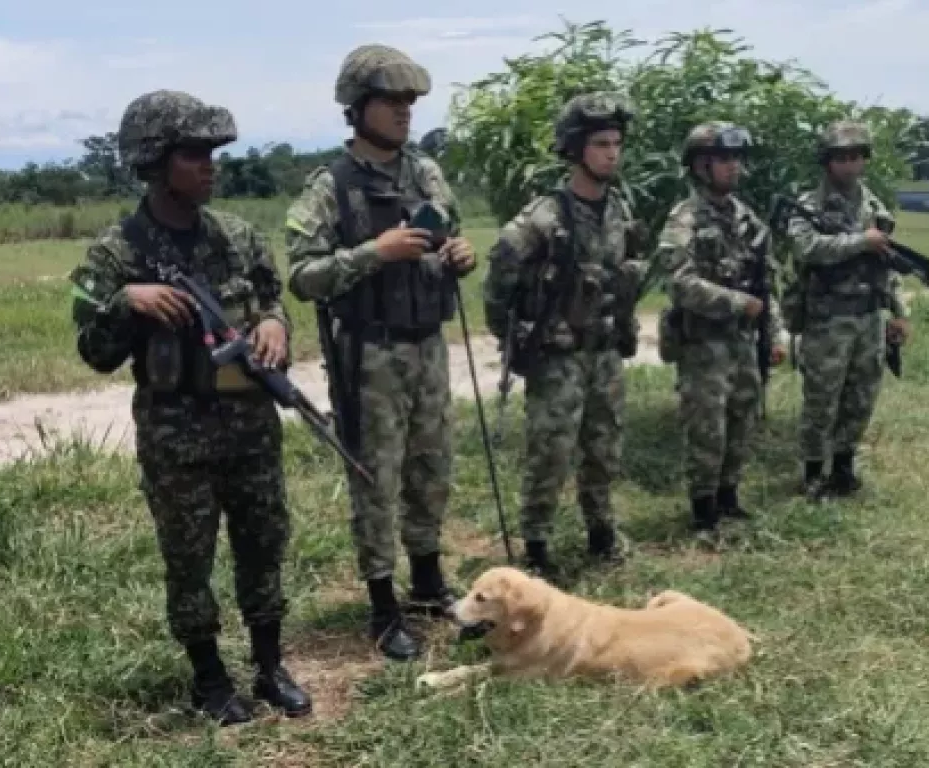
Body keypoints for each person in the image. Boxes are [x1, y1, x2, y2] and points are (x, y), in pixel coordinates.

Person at [68, 90, 311, 725]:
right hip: (177, 437)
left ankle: (268, 665)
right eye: (195, 153)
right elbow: (93, 353)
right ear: (153, 161)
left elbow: (271, 302)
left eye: (214, 153)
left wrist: (277, 328)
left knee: (264, 541)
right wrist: (127, 303)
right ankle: (209, 677)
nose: (212, 165)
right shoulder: (113, 255)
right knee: (189, 558)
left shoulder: (239, 237)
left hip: (250, 425)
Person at [283, 44, 476, 661]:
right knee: (376, 475)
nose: (404, 113)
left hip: (427, 344)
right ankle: (382, 604)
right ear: (358, 107)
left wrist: (458, 255)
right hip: (368, 352)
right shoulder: (329, 186)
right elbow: (303, 275)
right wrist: (376, 252)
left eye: (410, 102)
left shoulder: (426, 172)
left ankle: (425, 579)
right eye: (391, 101)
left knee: (431, 464)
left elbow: (451, 231)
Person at [481, 91, 646, 581]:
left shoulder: (619, 208)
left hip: (604, 352)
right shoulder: (545, 216)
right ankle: (536, 543)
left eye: (617, 143)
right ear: (575, 149)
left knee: (604, 447)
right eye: (601, 143)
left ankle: (601, 530)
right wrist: (516, 333)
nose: (612, 153)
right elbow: (500, 275)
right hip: (557, 357)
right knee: (550, 450)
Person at [656, 121, 788, 544]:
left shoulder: (746, 217)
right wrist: (733, 302)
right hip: (704, 343)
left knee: (743, 419)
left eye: (737, 159)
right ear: (701, 166)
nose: (734, 167)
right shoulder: (685, 219)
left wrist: (776, 332)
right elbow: (679, 282)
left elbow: (767, 282)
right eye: (724, 159)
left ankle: (729, 495)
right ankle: (703, 509)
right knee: (707, 425)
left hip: (744, 341)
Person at [783, 120, 910, 501]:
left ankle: (843, 466)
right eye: (842, 157)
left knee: (861, 396)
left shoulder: (873, 206)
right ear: (827, 161)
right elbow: (806, 248)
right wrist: (860, 242)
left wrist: (899, 311)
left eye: (857, 156)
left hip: (868, 315)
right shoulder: (808, 205)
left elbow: (887, 262)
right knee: (822, 398)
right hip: (827, 317)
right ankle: (811, 472)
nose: (851, 165)